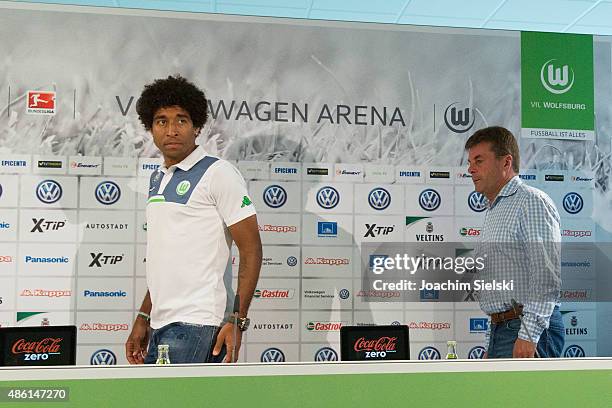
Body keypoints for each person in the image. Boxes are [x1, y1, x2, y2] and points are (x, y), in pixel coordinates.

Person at [125, 75, 262, 364]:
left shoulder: (218, 173)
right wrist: (143, 315)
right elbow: (168, 258)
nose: (172, 130)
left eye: (181, 120)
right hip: (161, 323)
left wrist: (237, 321)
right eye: (162, 121)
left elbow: (251, 249)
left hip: (199, 322)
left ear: (197, 127)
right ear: (150, 129)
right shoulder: (157, 179)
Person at [465, 126, 564, 358]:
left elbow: (546, 274)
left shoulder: (531, 201)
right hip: (503, 328)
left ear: (506, 162)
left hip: (527, 329)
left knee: (533, 396)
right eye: (469, 162)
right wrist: (492, 338)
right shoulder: (494, 209)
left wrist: (528, 335)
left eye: (479, 161)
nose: (470, 169)